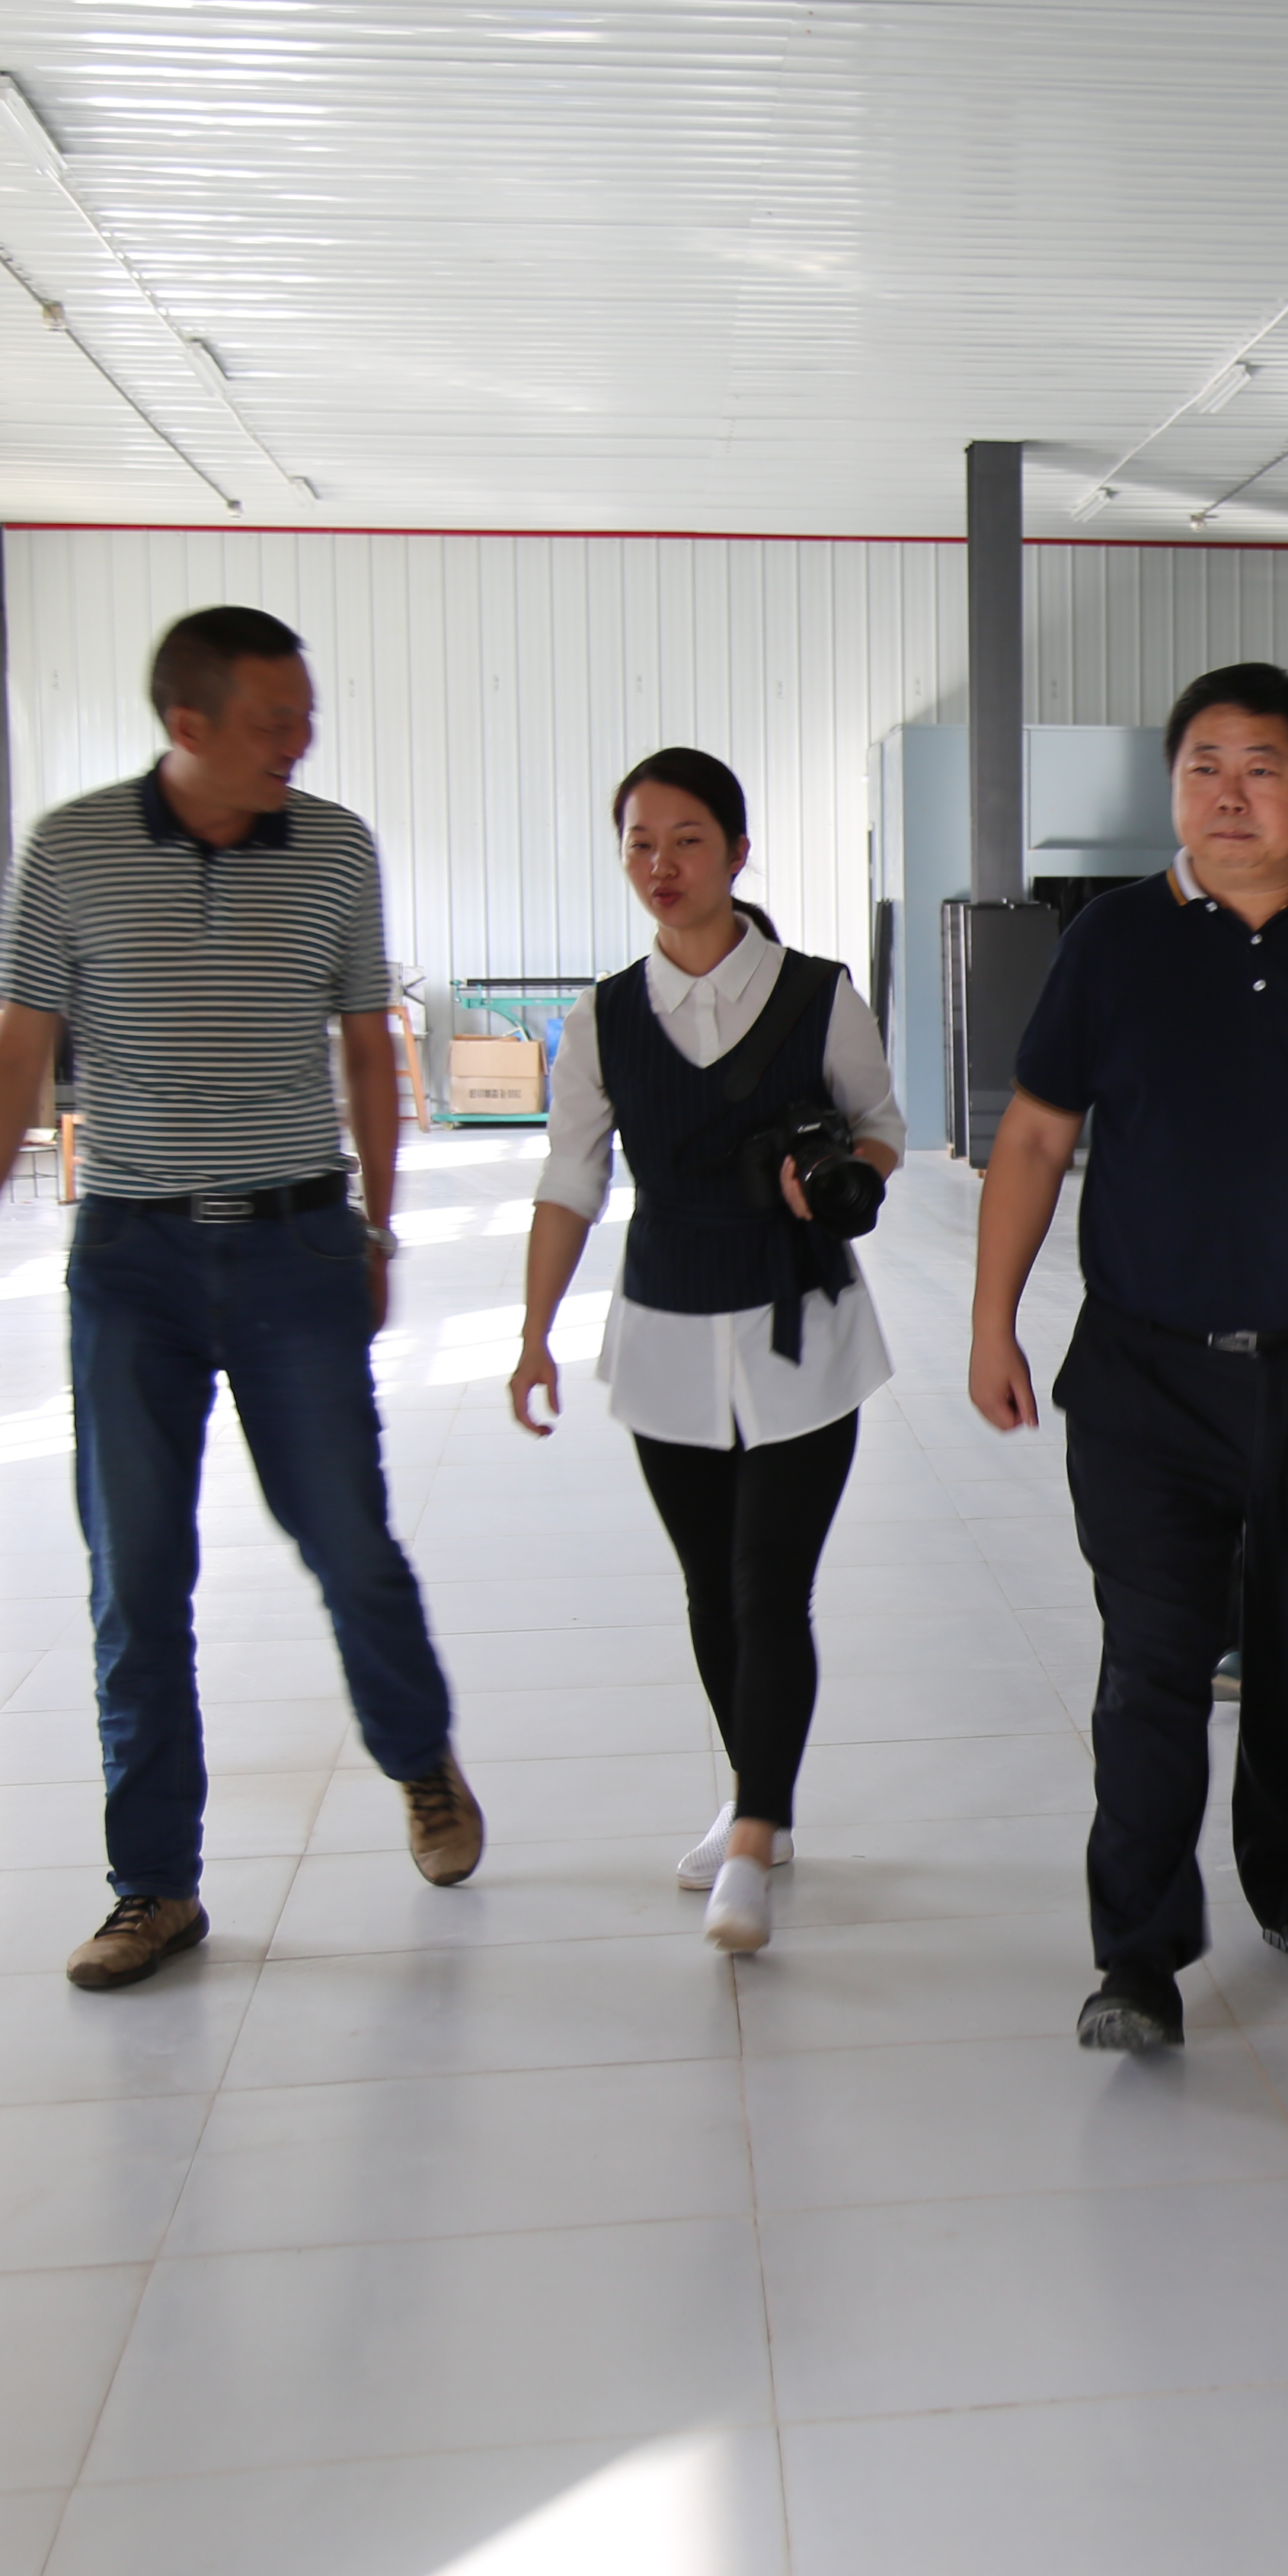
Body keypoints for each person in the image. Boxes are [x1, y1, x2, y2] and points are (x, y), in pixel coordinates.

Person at [0, 604, 481, 1994]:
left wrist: (378, 1223)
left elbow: (367, 1046)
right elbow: (17, 1056)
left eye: (306, 717)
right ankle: (155, 1887)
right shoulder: (69, 850)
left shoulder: (336, 848)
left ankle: (418, 1755)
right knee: (135, 1574)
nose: (299, 742)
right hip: (135, 1262)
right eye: (272, 722)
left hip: (298, 1246)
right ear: (187, 725)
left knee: (346, 1538)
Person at [968, 662, 1288, 2051]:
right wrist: (990, 1319)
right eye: (1202, 765)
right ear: (1172, 786)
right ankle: (1136, 1956)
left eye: (1261, 767)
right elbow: (1035, 1134)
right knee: (1149, 1664)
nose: (1229, 792)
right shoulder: (1112, 943)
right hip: (1145, 1373)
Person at [503, 749, 901, 1954]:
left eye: (687, 840)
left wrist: (841, 1176)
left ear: (737, 852)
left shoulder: (820, 994)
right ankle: (754, 1795)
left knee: (769, 1586)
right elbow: (570, 1180)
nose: (661, 864)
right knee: (711, 1589)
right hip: (667, 1330)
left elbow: (882, 1130)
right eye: (640, 842)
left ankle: (751, 1841)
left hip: (801, 1330)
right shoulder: (604, 1019)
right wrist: (533, 1333)